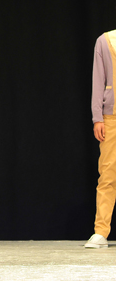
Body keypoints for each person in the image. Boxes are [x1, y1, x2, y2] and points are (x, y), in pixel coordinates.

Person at [85, 29, 116, 249]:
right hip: (111, 116)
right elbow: (98, 80)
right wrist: (97, 117)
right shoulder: (105, 42)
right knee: (107, 174)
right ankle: (100, 231)